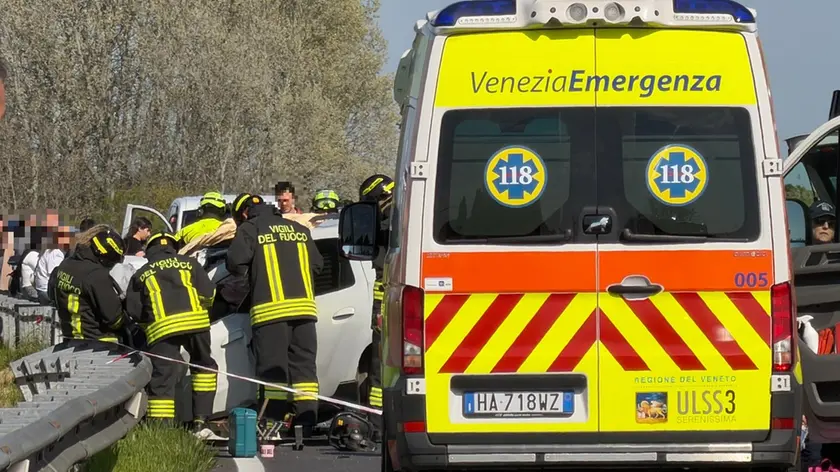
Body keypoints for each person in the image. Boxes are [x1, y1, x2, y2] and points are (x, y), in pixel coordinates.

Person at [226, 192, 323, 434]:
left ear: (245, 213)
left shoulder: (250, 229)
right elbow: (318, 265)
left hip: (270, 313)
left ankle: (273, 423)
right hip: (304, 312)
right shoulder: (299, 229)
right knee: (305, 370)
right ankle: (306, 422)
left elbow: (235, 263)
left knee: (273, 371)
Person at [125, 232, 218, 436]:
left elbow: (133, 309)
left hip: (162, 330)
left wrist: (147, 324)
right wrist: (201, 310)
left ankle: (161, 431)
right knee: (204, 368)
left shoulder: (142, 273)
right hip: (197, 325)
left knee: (162, 380)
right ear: (173, 248)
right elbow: (209, 293)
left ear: (149, 251)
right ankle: (201, 423)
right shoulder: (190, 264)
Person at [49, 227, 127, 343]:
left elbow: (51, 295)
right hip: (98, 344)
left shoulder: (64, 265)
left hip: (69, 340)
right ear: (107, 258)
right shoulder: (96, 275)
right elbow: (115, 320)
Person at [358, 174, 394, 419]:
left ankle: (376, 418)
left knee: (380, 362)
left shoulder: (387, 220)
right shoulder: (403, 211)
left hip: (385, 304)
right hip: (397, 300)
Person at [34, 225, 71, 304]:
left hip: (41, 290)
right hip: (46, 292)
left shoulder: (48, 251)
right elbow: (55, 275)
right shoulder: (55, 253)